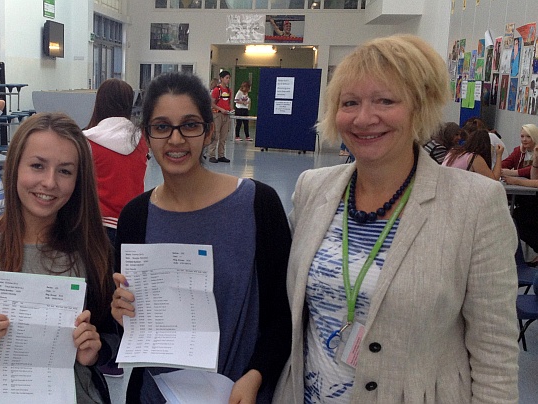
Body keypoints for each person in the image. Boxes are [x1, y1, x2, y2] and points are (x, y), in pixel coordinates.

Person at [273, 35, 519, 403]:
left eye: (385, 101)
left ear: (419, 108)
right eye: (349, 102)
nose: (363, 118)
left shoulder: (476, 204)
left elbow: (495, 350)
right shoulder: (313, 189)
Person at [111, 72, 292, 403]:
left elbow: (283, 315)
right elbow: (136, 323)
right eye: (162, 127)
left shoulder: (258, 204)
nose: (176, 139)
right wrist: (122, 312)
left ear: (209, 131)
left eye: (190, 125)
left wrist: (256, 375)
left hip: (238, 394)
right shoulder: (137, 217)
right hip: (156, 395)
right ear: (147, 136)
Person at [0, 113, 116, 404]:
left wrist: (96, 349)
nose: (49, 182)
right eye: (37, 166)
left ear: (78, 180)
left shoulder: (95, 248)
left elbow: (112, 336)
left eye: (65, 171)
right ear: (15, 166)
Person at [83, 78, 148, 377]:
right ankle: (123, 354)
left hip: (97, 230)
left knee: (98, 293)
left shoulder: (87, 140)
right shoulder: (142, 139)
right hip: (134, 226)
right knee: (124, 295)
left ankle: (104, 354)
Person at [503, 145, 538, 266]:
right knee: (519, 216)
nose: (524, 140)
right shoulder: (518, 150)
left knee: (520, 217)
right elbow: (534, 177)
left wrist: (516, 180)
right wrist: (536, 161)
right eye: (522, 136)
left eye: (528, 136)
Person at [209, 70, 232, 163]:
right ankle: (211, 155)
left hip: (226, 115)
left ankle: (221, 155)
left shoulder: (229, 91)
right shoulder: (216, 90)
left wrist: (230, 110)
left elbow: (228, 102)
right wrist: (221, 109)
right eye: (226, 78)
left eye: (229, 78)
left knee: (223, 136)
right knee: (215, 135)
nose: (228, 80)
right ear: (221, 79)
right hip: (217, 115)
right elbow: (212, 103)